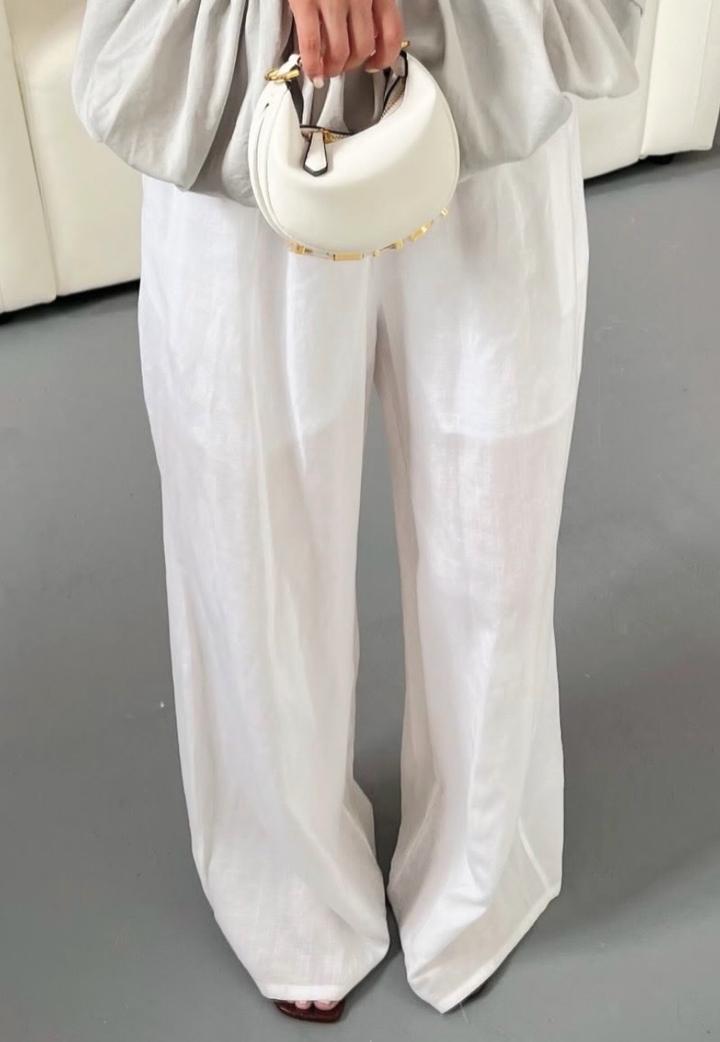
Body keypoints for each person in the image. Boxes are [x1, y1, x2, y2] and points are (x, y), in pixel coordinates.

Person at [74, 0, 643, 1023]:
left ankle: (479, 860)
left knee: (496, 514)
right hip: (241, 40)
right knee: (248, 510)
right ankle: (288, 888)